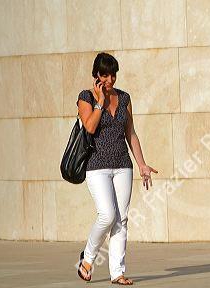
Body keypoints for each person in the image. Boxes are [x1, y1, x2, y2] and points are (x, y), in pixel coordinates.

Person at [76, 52, 158, 285]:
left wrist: (142, 164)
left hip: (123, 165)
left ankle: (117, 272)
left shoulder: (124, 98)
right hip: (97, 166)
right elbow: (90, 127)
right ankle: (88, 258)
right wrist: (100, 101)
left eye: (113, 74)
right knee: (107, 215)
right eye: (105, 75)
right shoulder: (86, 97)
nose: (110, 80)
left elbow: (130, 133)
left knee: (121, 220)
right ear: (96, 75)